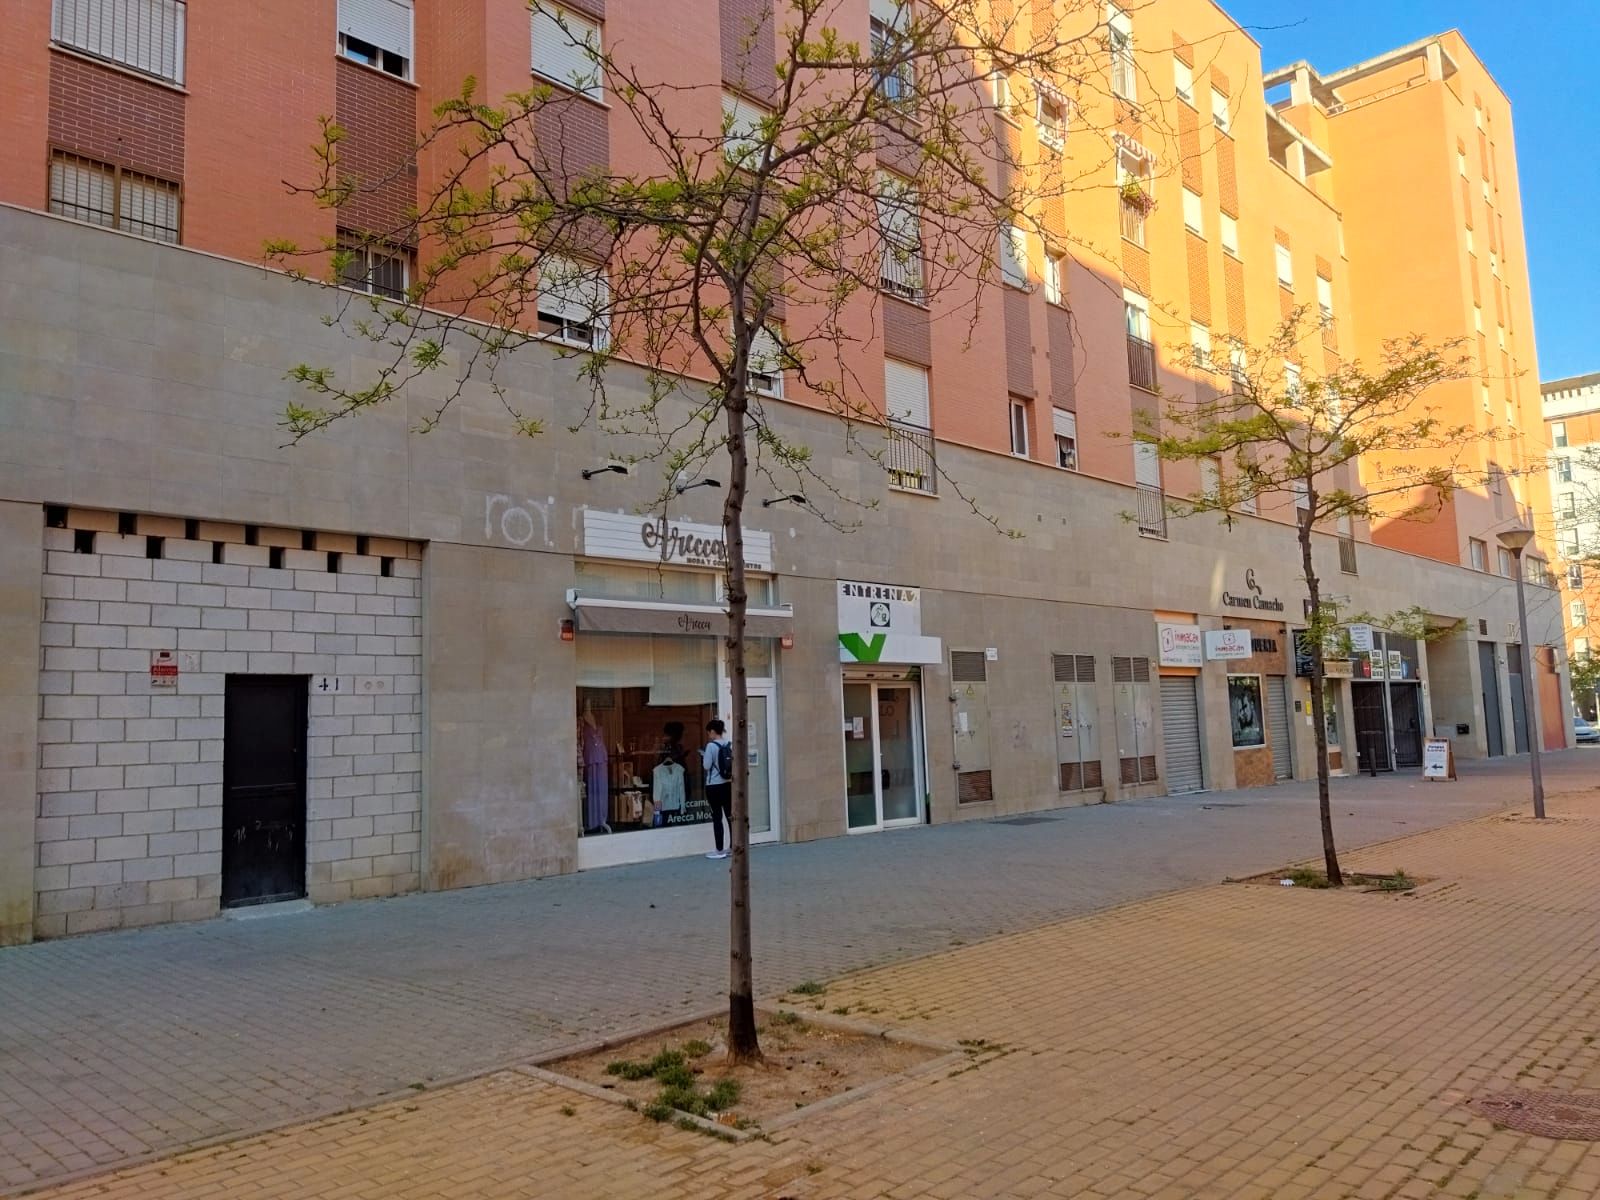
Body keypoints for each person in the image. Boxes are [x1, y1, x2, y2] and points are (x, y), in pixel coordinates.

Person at [702, 718, 733, 859]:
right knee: (730, 816)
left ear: (713, 732)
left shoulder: (711, 746)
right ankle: (733, 847)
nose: (709, 735)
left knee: (717, 817)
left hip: (714, 786)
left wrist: (704, 756)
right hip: (727, 784)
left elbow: (706, 766)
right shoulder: (728, 744)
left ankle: (719, 850)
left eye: (709, 732)